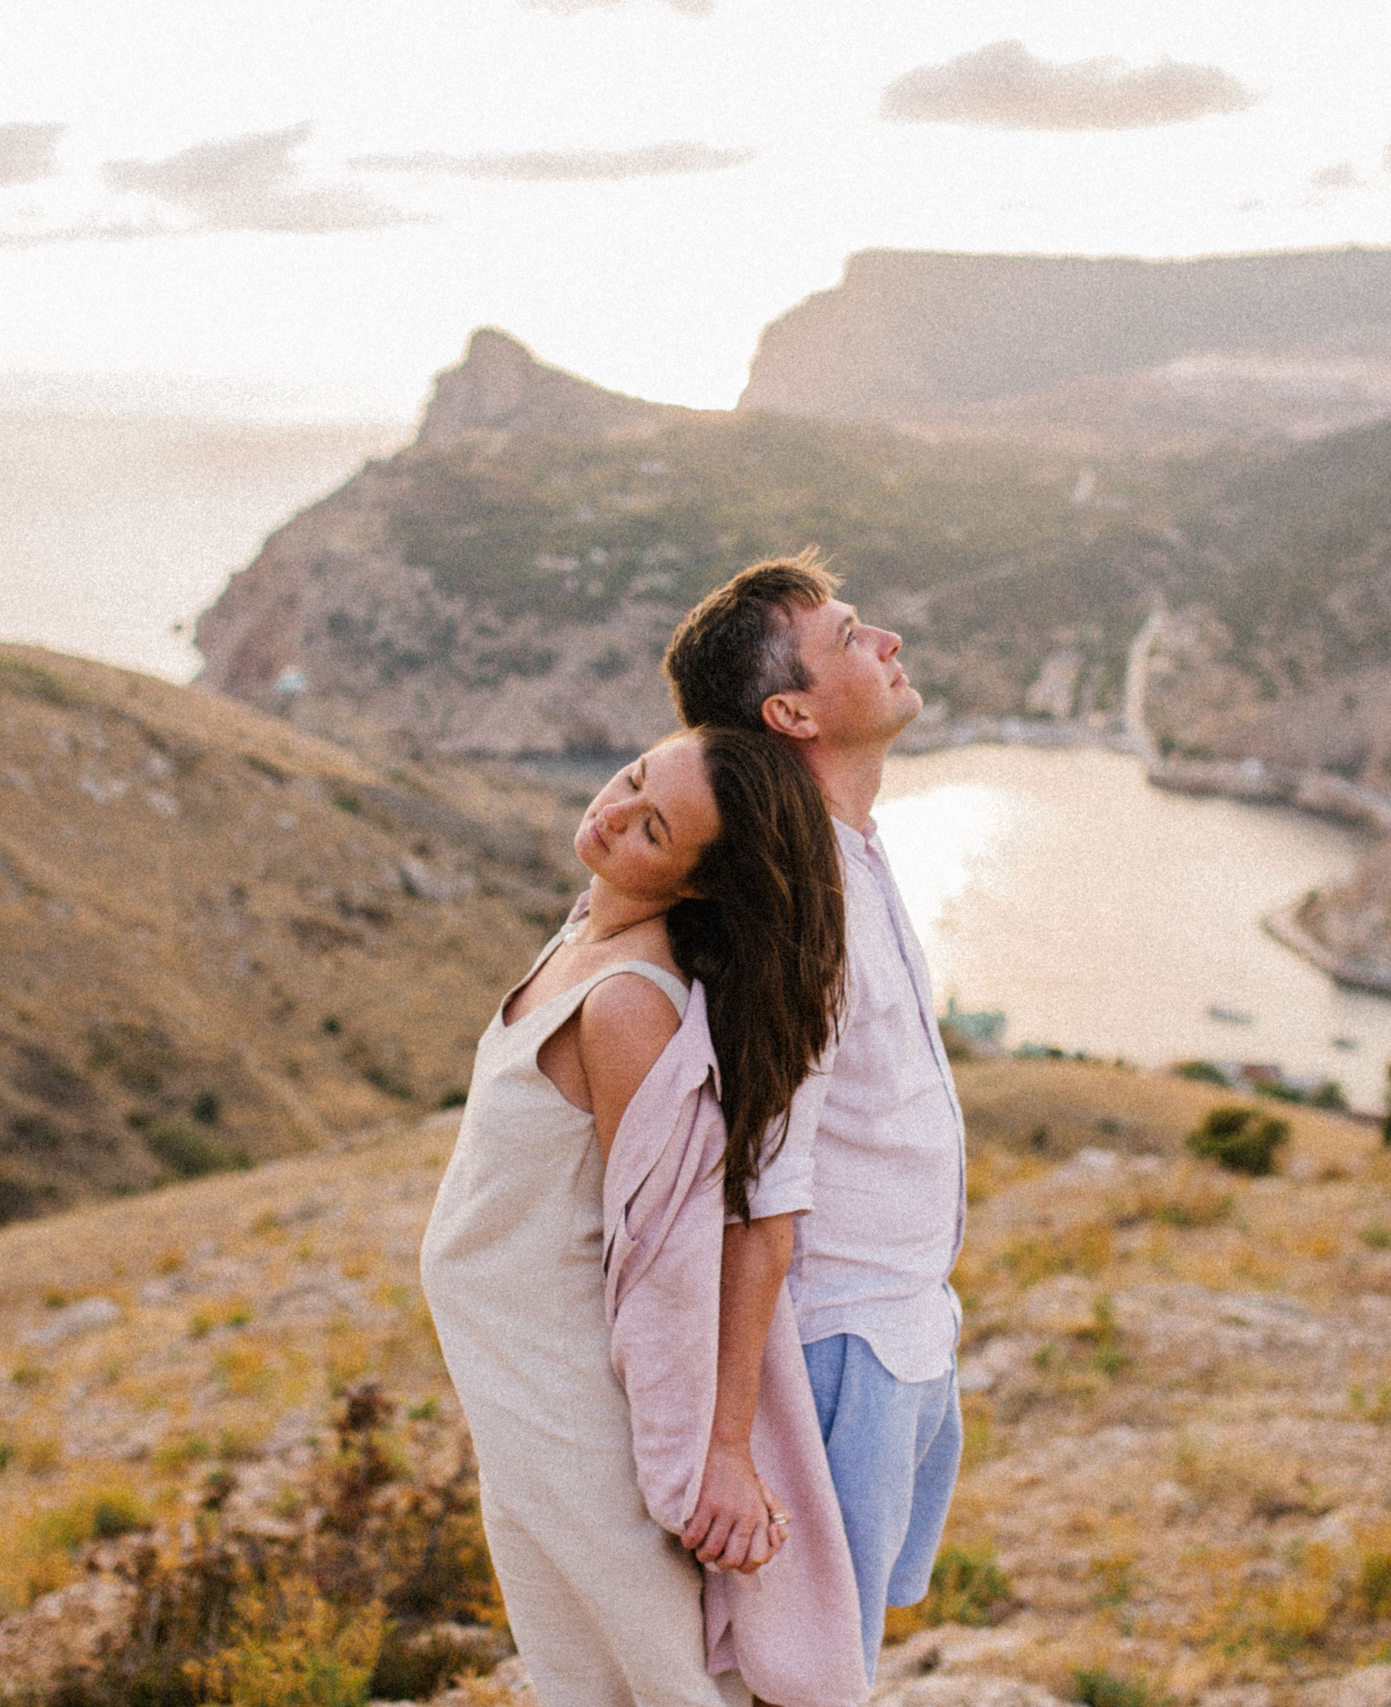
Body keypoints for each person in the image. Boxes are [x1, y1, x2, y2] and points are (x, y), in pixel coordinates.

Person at [419, 725, 859, 1707]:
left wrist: (695, 1467)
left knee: (656, 1678)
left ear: (697, 884)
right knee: (571, 1666)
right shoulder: (582, 927)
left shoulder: (627, 1007)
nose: (611, 814)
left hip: (572, 1405)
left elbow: (666, 1259)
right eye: (629, 781)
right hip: (510, 1388)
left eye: (651, 828)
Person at [661, 551, 968, 1682]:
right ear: (792, 711)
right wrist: (730, 1446)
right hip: (842, 1352)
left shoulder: (851, 856)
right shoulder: (803, 900)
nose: (884, 640)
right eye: (848, 637)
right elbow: (764, 1181)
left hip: (902, 1331)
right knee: (806, 1678)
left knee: (837, 1661)